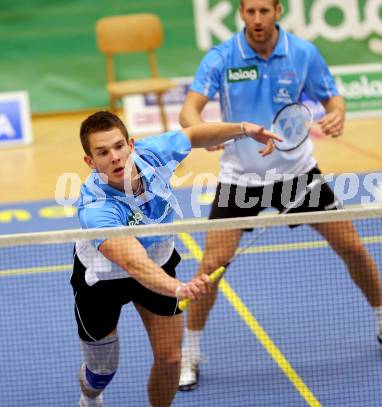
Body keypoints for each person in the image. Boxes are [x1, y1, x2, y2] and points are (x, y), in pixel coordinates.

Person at [178, 0, 382, 391]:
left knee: (353, 248)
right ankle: (191, 351)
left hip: (297, 176)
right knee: (211, 268)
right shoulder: (220, 57)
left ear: (278, 11)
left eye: (263, 11)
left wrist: (338, 114)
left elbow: (333, 97)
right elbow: (189, 111)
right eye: (249, 11)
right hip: (242, 179)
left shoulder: (302, 54)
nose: (256, 19)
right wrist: (202, 132)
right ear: (240, 13)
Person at [71, 110, 280, 407]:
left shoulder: (153, 155)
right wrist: (178, 289)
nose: (115, 157)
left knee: (171, 359)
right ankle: (89, 399)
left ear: (131, 144)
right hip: (104, 279)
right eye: (103, 152)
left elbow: (193, 135)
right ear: (90, 162)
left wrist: (245, 129)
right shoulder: (96, 206)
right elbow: (132, 262)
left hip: (158, 260)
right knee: (102, 371)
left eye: (119, 146)